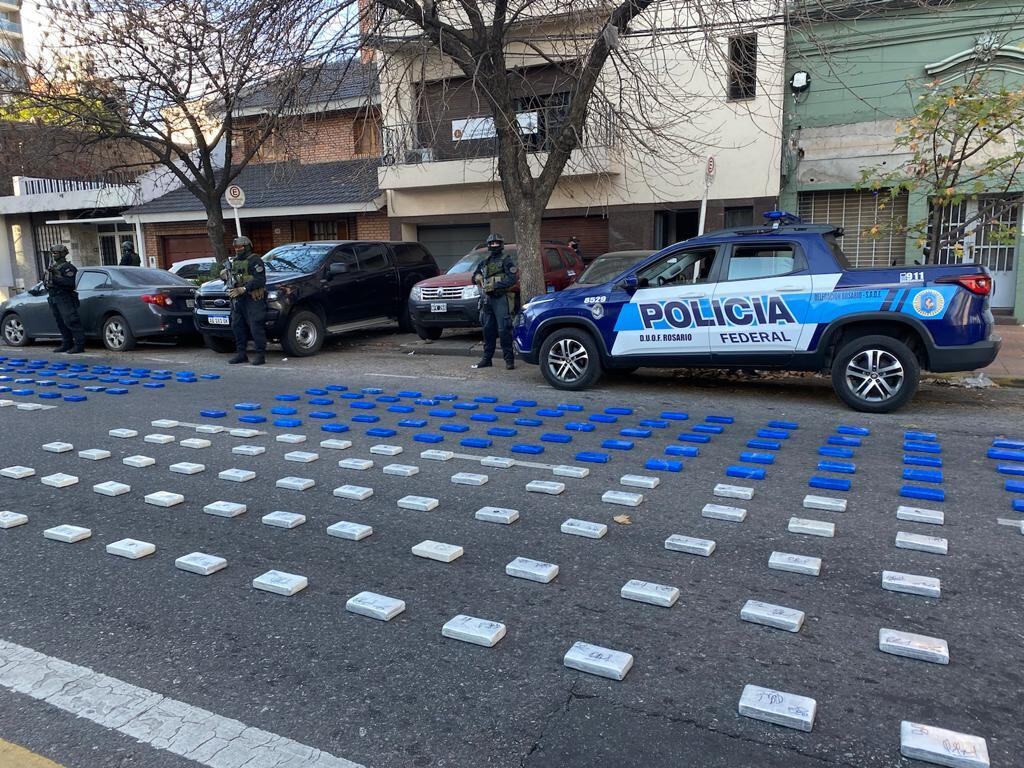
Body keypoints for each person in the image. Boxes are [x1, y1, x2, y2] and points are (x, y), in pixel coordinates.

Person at [471, 233, 517, 370]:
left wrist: (495, 286)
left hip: (501, 298)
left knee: (504, 330)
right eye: (492, 243)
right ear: (489, 245)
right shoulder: (484, 262)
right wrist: (477, 277)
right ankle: (487, 359)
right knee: (487, 330)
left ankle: (509, 360)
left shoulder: (506, 260)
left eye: (497, 243)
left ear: (501, 245)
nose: (494, 245)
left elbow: (512, 279)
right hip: (487, 299)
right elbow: (474, 276)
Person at [223, 236, 267, 366]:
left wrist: (244, 288)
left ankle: (260, 355)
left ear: (247, 247)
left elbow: (260, 279)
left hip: (253, 298)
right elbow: (231, 279)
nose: (238, 250)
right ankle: (241, 354)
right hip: (238, 299)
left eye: (240, 247)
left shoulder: (255, 260)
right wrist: (225, 276)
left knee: (255, 326)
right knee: (237, 326)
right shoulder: (234, 262)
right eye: (236, 247)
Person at [44, 244, 85, 354]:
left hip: (64, 297)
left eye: (56, 253)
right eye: (53, 253)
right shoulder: (53, 267)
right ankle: (67, 343)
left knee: (71, 321)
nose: (54, 255)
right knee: (60, 322)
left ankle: (79, 345)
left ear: (63, 254)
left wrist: (56, 278)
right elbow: (47, 282)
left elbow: (70, 284)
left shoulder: (68, 267)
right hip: (54, 297)